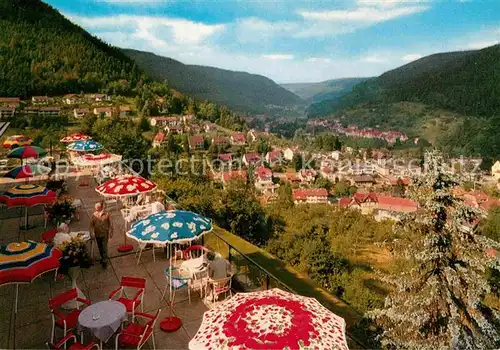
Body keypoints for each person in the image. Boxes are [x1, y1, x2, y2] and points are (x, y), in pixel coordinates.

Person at [90, 201, 113, 269]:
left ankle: (104, 261)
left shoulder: (106, 214)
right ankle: (102, 257)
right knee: (100, 247)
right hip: (97, 234)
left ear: (100, 207)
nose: (96, 208)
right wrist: (92, 232)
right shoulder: (94, 215)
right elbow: (91, 225)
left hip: (104, 233)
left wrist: (111, 231)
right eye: (96, 207)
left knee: (104, 247)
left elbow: (110, 223)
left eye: (97, 207)